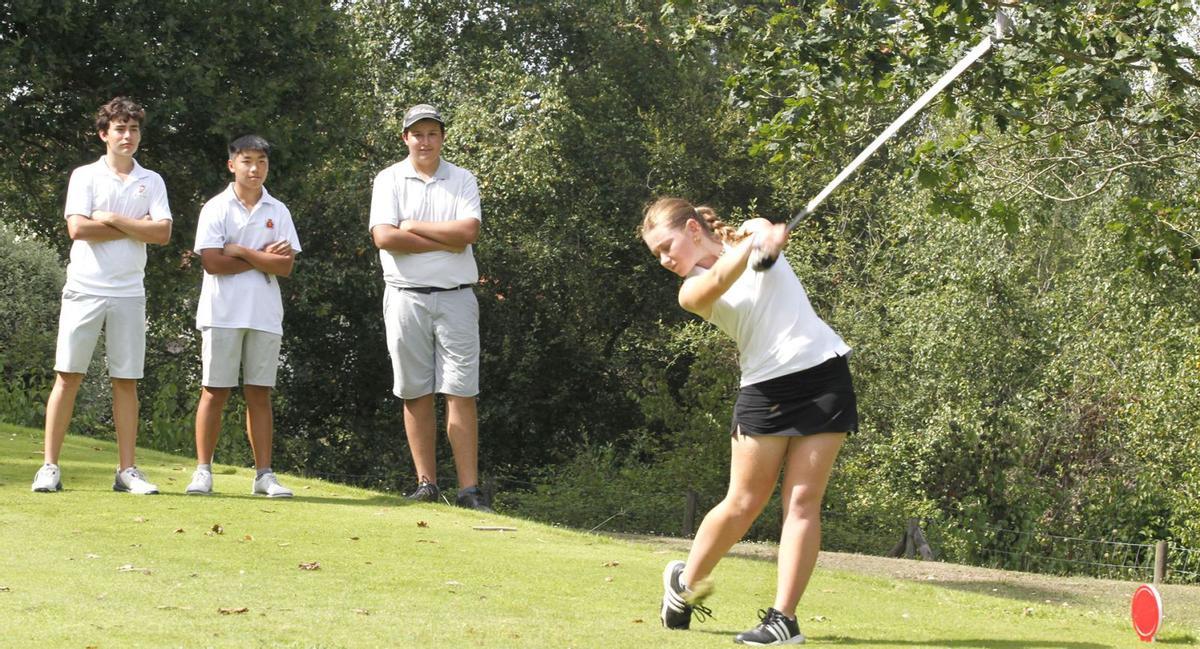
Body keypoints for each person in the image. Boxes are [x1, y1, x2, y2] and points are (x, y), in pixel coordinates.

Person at [641, 197, 857, 646]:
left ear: (694, 229)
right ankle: (685, 585)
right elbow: (724, 275)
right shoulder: (691, 290)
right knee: (744, 501)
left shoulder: (751, 231)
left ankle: (784, 620)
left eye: (667, 246)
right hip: (767, 391)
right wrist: (760, 244)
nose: (664, 259)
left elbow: (761, 244)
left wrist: (767, 239)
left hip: (824, 375)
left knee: (802, 502)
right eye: (656, 254)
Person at [32, 97, 172, 495]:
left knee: (125, 380)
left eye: (134, 129)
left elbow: (162, 234)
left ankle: (127, 470)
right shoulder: (84, 176)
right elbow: (78, 228)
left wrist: (109, 218)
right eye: (120, 129)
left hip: (130, 291)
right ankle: (49, 467)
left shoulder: (152, 181)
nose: (128, 136)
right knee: (69, 375)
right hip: (85, 288)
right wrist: (133, 226)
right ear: (104, 134)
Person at [368, 103, 490, 511]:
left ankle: (468, 490)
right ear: (405, 138)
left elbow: (468, 231)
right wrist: (446, 241)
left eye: (432, 133)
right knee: (415, 390)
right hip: (405, 296)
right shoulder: (388, 179)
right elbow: (384, 237)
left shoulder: (462, 178)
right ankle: (426, 484)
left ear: (442, 137)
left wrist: (415, 227)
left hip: (456, 296)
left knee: (460, 391)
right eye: (417, 134)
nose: (424, 141)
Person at [185, 135, 300, 498]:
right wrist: (260, 257)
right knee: (215, 391)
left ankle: (264, 475)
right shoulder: (216, 208)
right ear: (232, 164)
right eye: (247, 161)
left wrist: (241, 250)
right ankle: (203, 471)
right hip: (222, 313)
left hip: (264, 314)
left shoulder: (277, 210)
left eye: (262, 162)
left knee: (259, 394)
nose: (255, 169)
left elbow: (284, 266)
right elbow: (213, 262)